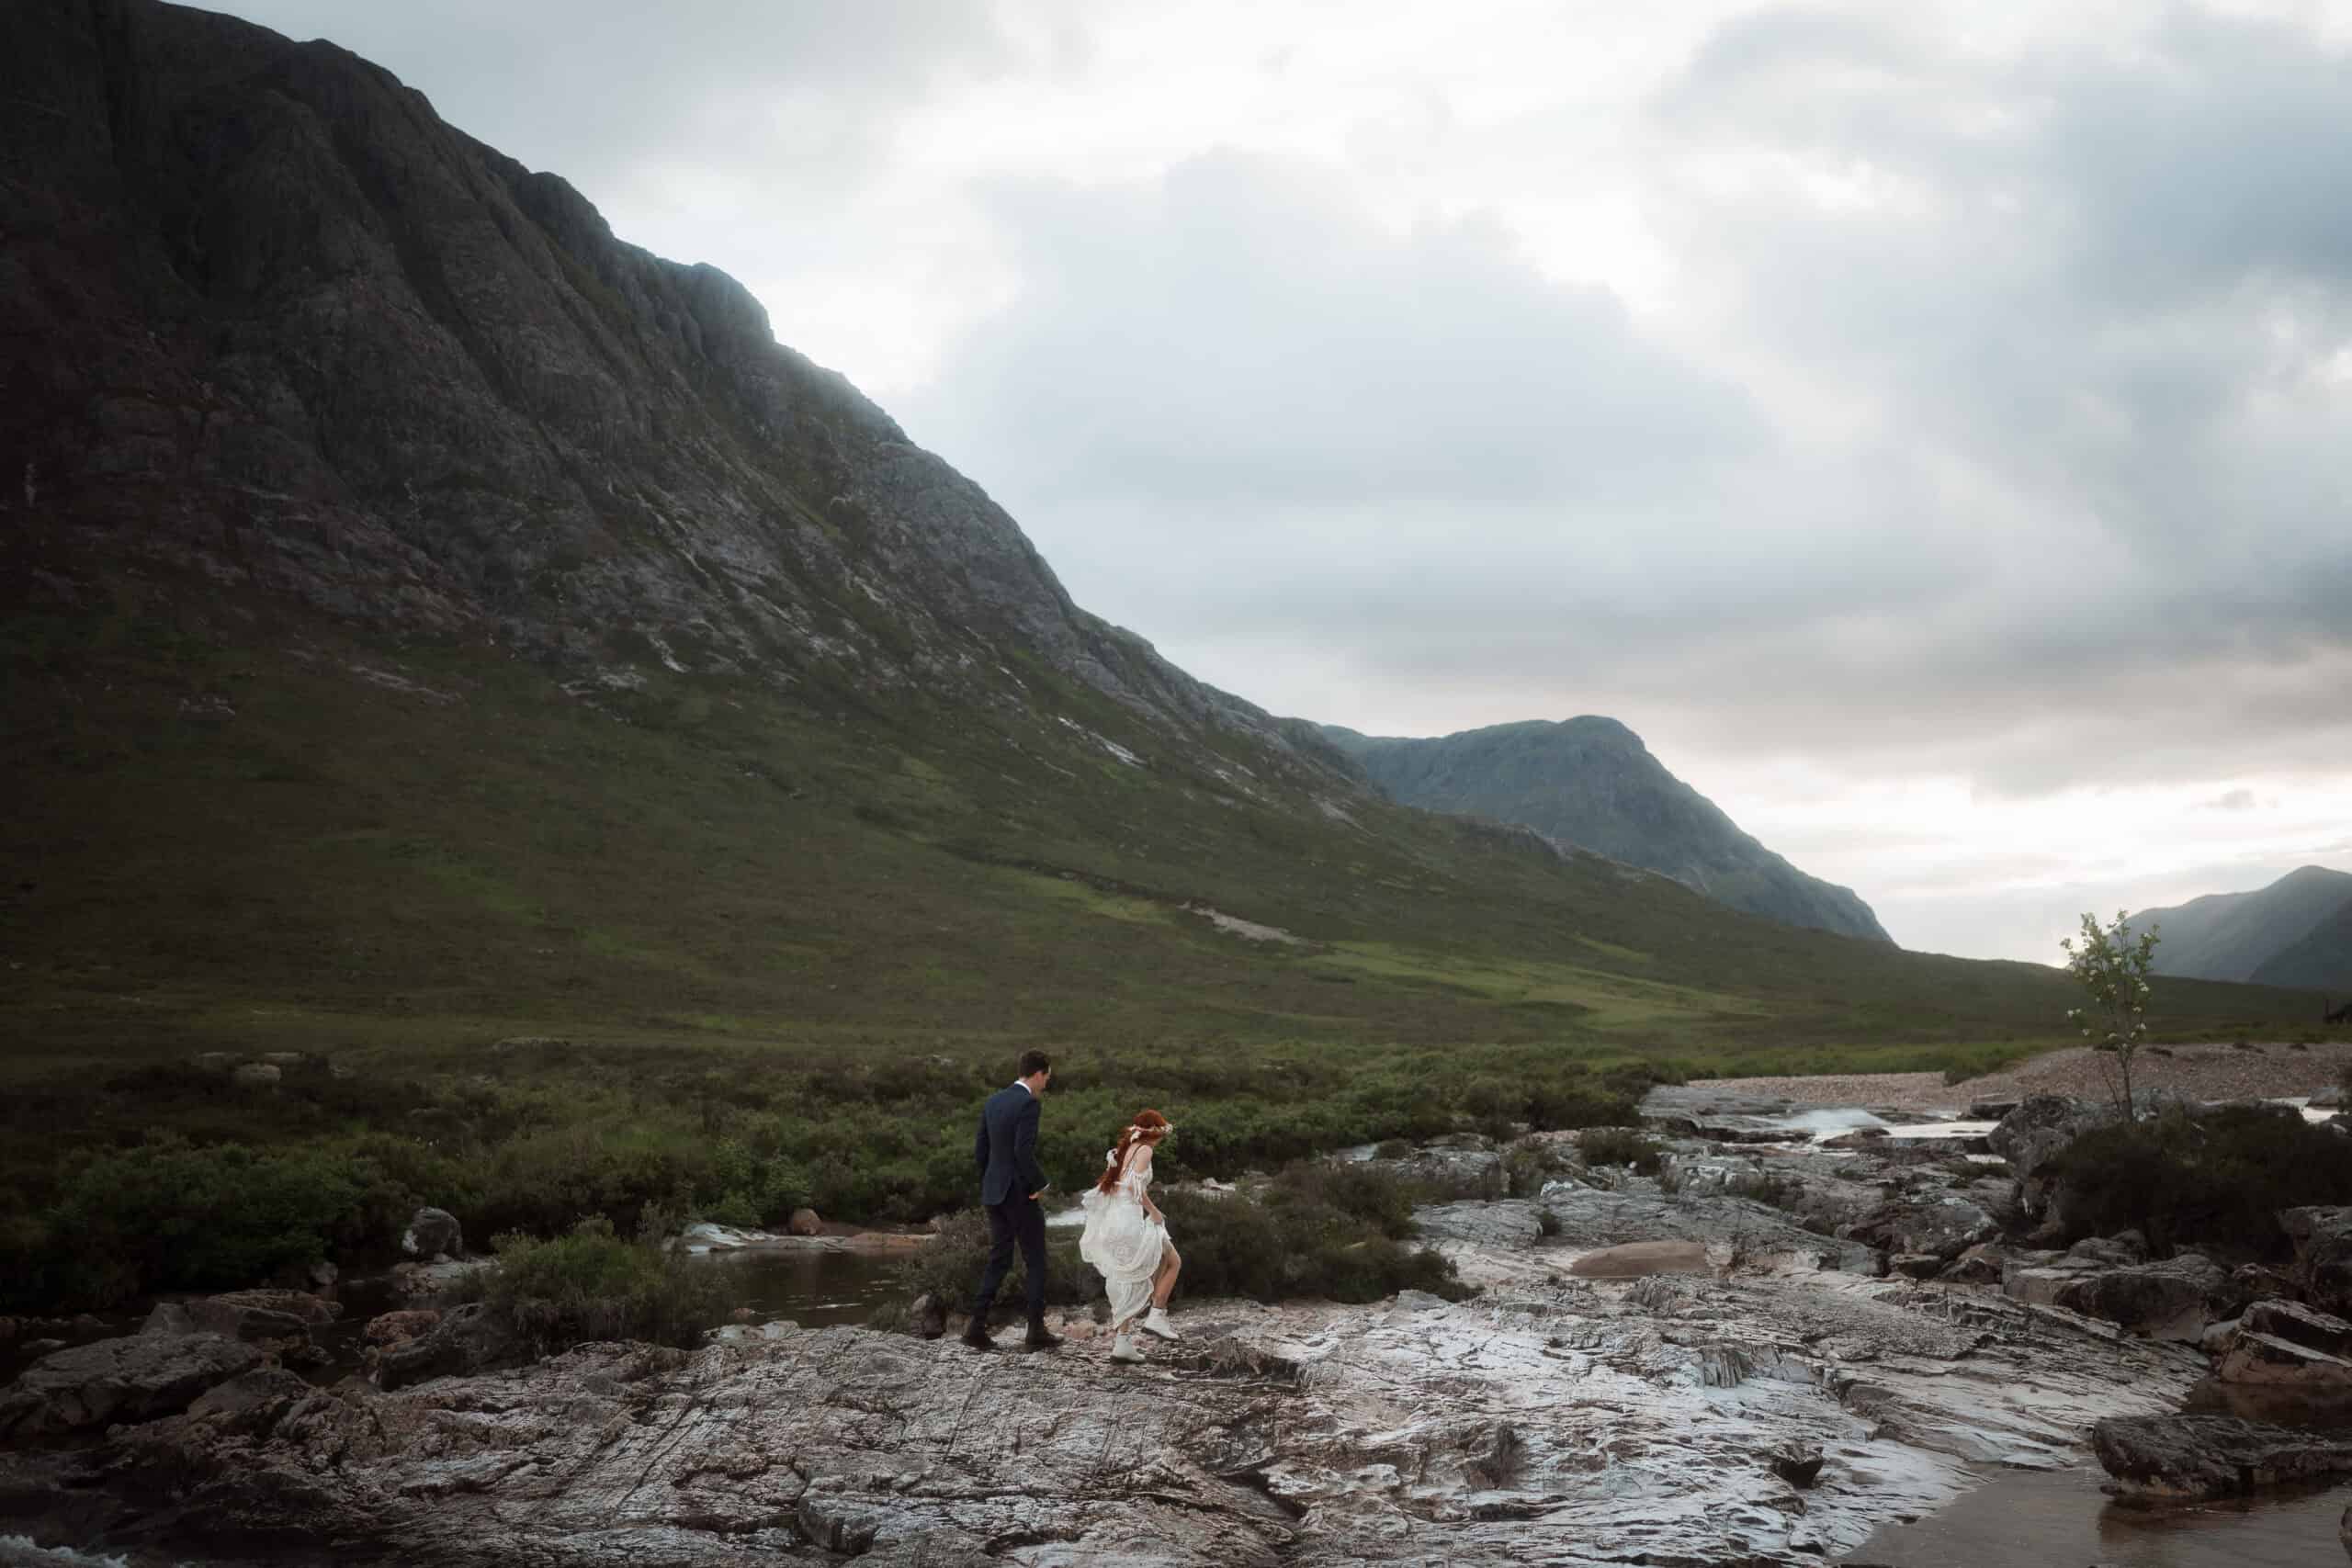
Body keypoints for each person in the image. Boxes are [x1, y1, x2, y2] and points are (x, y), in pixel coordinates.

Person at [963, 1049, 1062, 1351]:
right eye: (1047, 1077)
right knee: (1035, 1260)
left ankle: (975, 1327)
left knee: (999, 1259)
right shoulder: (1029, 1103)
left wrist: (990, 1183)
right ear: (1037, 1074)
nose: (1046, 1083)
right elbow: (1022, 1152)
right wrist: (1040, 1184)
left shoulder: (993, 1101)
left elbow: (981, 1151)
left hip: (994, 1192)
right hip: (1019, 1192)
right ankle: (1035, 1330)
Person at [1078, 1109, 1183, 1365]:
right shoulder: (1145, 1150)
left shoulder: (1125, 1149)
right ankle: (1157, 1315)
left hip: (1115, 1222)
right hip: (1129, 1221)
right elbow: (1136, 1190)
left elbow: (1118, 1186)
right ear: (1154, 1133)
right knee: (1173, 1262)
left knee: (1124, 1279)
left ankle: (1122, 1344)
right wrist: (1155, 1212)